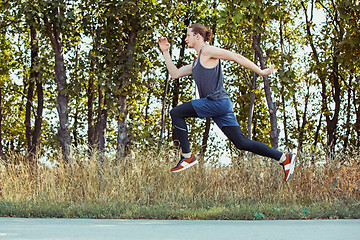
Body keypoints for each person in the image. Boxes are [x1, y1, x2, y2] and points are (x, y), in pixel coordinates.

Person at [158, 23, 296, 182]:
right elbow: (175, 73)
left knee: (176, 112)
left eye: (188, 35)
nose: (185, 38)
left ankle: (187, 156)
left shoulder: (207, 51)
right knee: (241, 142)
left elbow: (235, 56)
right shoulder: (196, 63)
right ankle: (284, 158)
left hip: (216, 102)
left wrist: (261, 71)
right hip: (220, 106)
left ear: (198, 36)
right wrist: (166, 52)